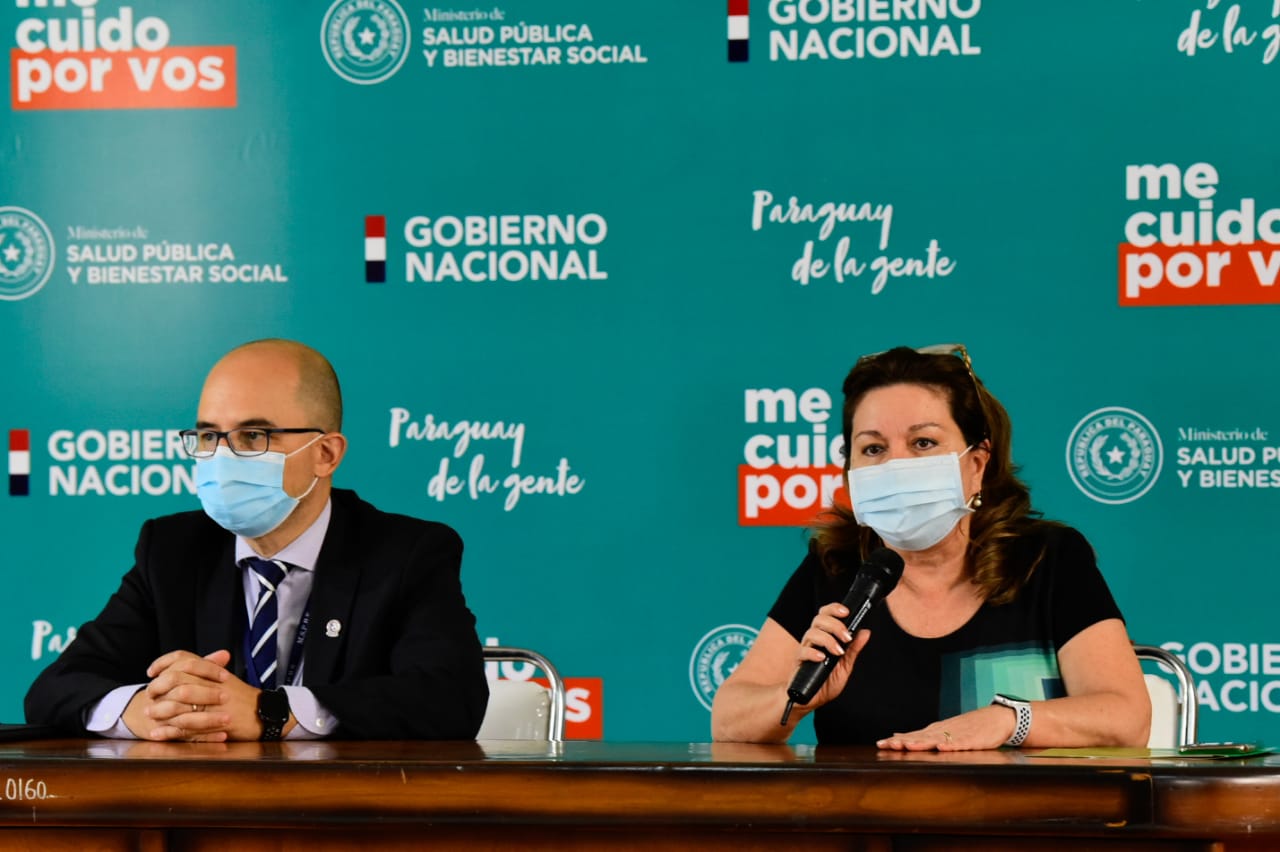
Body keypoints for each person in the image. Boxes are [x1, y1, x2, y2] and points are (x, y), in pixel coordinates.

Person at [25, 339, 488, 742]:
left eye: (253, 436)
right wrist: (140, 711)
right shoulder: (172, 550)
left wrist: (272, 712)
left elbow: (450, 698)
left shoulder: (407, 553)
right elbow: (55, 687)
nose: (223, 457)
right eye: (209, 436)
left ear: (325, 454)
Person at [712, 345, 1151, 749]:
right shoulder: (839, 567)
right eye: (873, 448)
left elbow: (1126, 717)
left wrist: (1007, 721)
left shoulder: (1046, 558)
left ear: (977, 465)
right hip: (869, 825)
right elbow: (729, 722)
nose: (896, 465)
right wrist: (796, 698)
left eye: (923, 443)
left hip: (1023, 827)